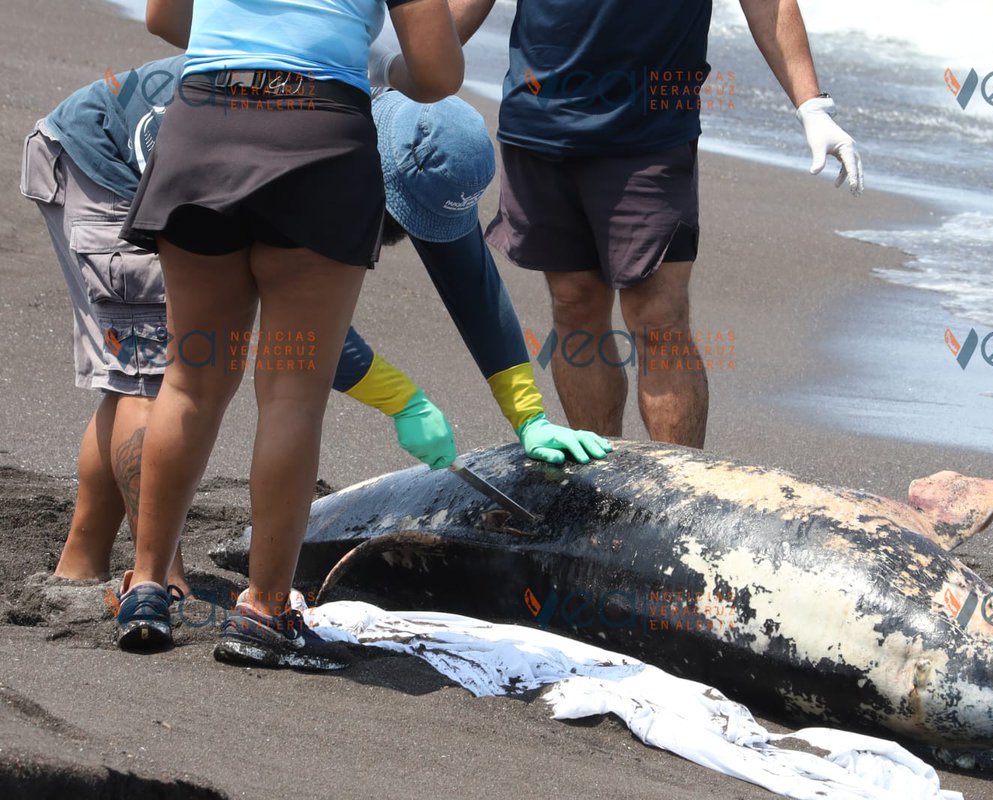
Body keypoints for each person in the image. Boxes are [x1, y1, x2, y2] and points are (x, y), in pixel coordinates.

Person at [20, 56, 609, 597]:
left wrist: (527, 412)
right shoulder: (308, 145)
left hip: (191, 169)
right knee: (160, 373)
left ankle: (80, 565)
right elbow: (296, 324)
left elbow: (472, 286)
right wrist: (403, 400)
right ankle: (158, 580)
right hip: (104, 162)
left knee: (136, 378)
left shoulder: (410, 138)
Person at [114, 0, 463, 668]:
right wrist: (380, 70)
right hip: (318, 136)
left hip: (205, 120)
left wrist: (239, 57)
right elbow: (439, 71)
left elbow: (162, 16)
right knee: (291, 394)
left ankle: (148, 587)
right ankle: (265, 610)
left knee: (188, 381)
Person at [429, 0, 863, 449]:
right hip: (542, 117)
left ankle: (678, 497)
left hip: (650, 128)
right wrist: (407, 73)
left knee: (659, 317)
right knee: (574, 303)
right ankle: (599, 489)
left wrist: (811, 104)